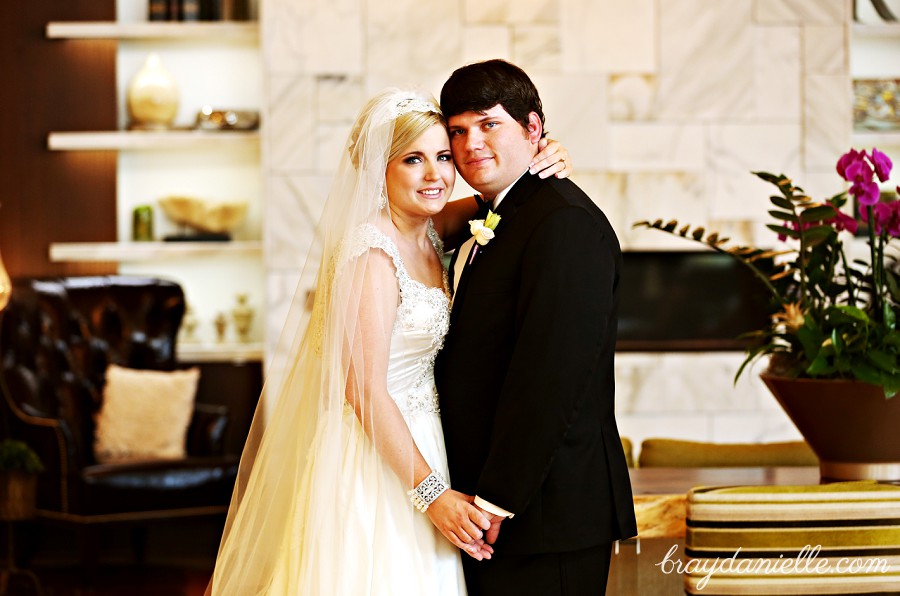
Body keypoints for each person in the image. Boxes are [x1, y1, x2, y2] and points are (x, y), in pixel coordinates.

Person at [206, 88, 572, 595]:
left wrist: (539, 155)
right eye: (413, 160)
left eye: (444, 157)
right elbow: (363, 391)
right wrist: (432, 495)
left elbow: (499, 198)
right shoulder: (371, 253)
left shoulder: (431, 228)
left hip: (426, 442)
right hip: (375, 460)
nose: (435, 175)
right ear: (381, 168)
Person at [434, 59, 638, 595]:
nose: (471, 143)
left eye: (489, 124)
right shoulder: (502, 213)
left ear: (534, 130)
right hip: (497, 515)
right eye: (458, 131)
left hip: (543, 514)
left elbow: (550, 377)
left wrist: (496, 499)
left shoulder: (562, 222)